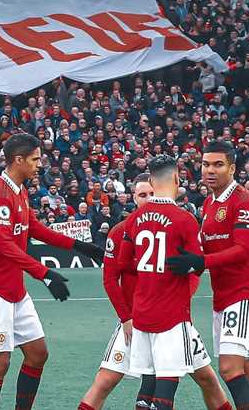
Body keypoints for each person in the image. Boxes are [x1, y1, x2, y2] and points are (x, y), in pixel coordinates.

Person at [0, 133, 104, 410]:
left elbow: (35, 229)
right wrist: (44, 274)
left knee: (37, 354)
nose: (39, 164)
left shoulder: (19, 190)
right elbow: (4, 245)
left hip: (15, 289)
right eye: (35, 159)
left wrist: (80, 246)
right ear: (18, 160)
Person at [80, 174, 230, 410]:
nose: (148, 199)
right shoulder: (120, 232)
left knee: (207, 380)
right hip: (134, 320)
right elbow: (110, 279)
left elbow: (193, 271)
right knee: (105, 381)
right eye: (142, 195)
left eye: (152, 193)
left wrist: (179, 299)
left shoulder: (175, 224)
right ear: (133, 198)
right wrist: (126, 318)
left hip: (172, 319)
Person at [168, 140, 249, 410]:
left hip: (245, 294)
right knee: (244, 367)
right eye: (205, 165)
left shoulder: (244, 202)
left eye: (218, 165)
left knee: (229, 367)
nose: (210, 170)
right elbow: (206, 248)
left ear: (232, 168)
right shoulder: (209, 203)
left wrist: (200, 261)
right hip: (222, 298)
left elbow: (243, 250)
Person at [116, 155, 212, 410]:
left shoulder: (134, 219)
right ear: (177, 179)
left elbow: (122, 263)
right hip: (171, 315)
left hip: (142, 313)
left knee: (147, 386)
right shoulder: (184, 219)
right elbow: (198, 265)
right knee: (166, 389)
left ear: (150, 180)